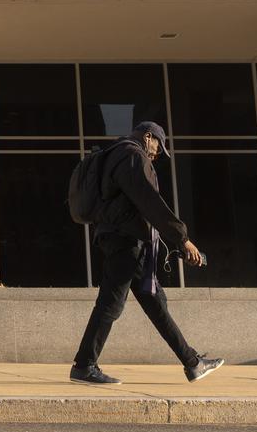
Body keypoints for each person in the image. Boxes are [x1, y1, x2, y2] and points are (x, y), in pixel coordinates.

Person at [70, 121, 224, 385]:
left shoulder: (116, 154)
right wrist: (182, 239)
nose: (157, 155)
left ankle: (192, 363)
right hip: (125, 241)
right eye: (157, 148)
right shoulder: (131, 155)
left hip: (124, 239)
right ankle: (84, 366)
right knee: (110, 303)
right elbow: (149, 201)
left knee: (155, 303)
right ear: (148, 137)